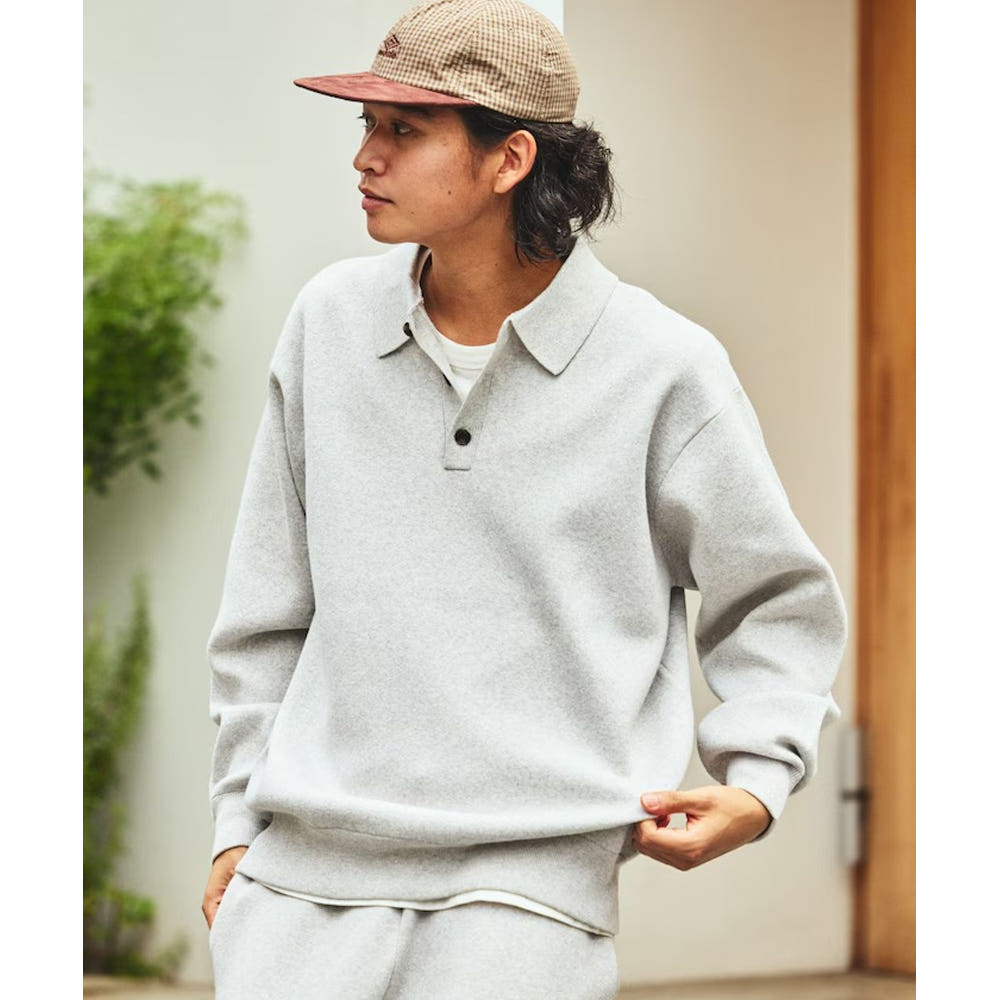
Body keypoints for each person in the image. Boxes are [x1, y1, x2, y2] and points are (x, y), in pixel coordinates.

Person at [201, 1, 849, 997]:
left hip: (529, 894)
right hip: (300, 885)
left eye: (403, 129)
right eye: (367, 125)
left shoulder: (662, 367)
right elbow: (265, 610)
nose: (365, 156)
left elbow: (773, 598)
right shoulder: (328, 323)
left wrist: (759, 781)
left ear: (509, 159)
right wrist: (237, 823)